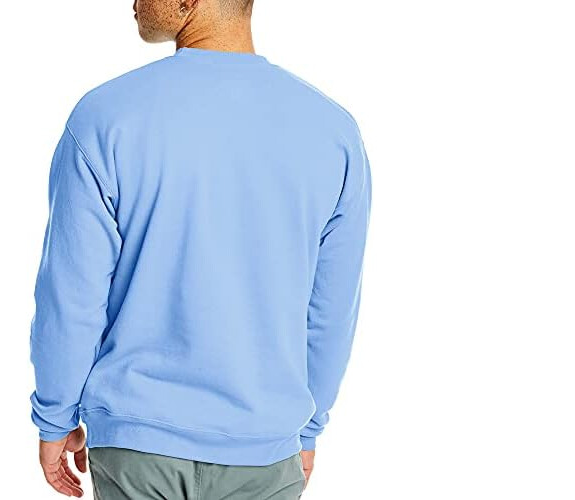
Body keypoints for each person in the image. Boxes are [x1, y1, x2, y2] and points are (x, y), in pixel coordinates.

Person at [29, 0, 372, 498]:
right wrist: (307, 428)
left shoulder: (105, 117)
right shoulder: (333, 132)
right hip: (264, 451)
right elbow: (331, 310)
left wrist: (56, 417)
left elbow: (71, 296)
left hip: (137, 441)